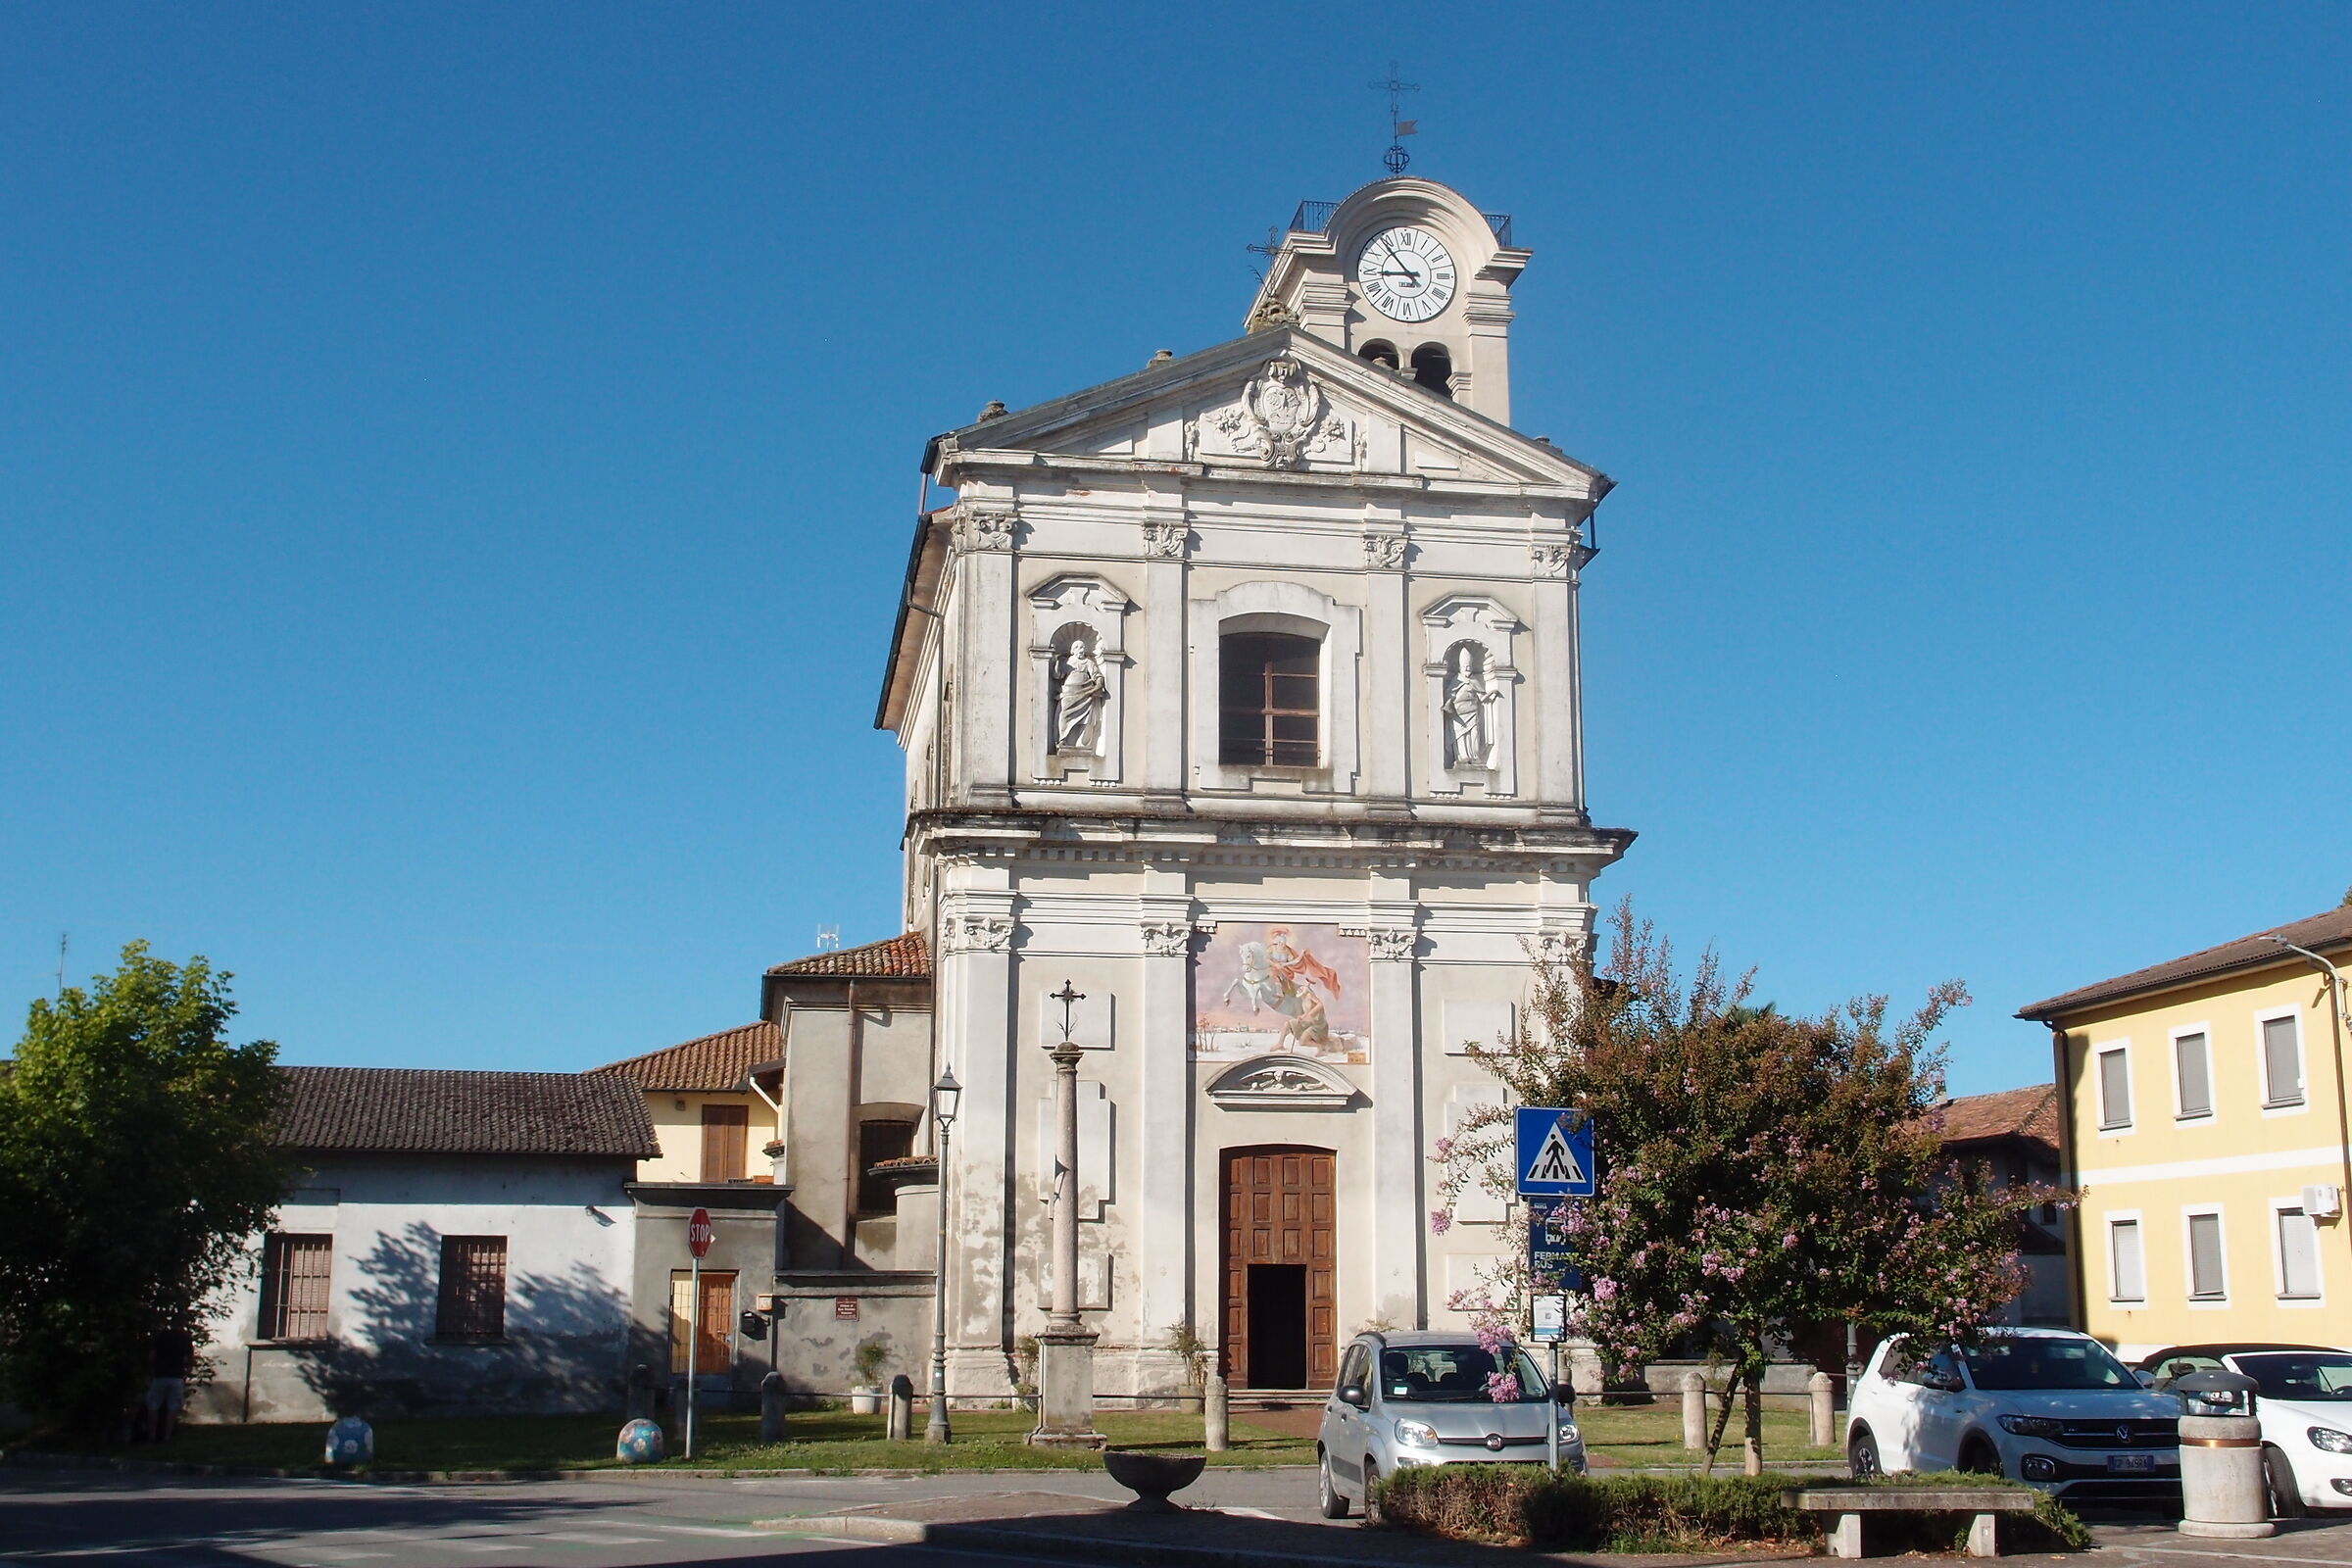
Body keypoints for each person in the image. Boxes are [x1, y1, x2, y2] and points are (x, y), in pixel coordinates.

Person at [143, 1322, 194, 1442]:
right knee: (173, 1407)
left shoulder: (161, 1336)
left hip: (159, 1376)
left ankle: (152, 1435)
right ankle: (167, 1435)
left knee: (153, 1405)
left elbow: (152, 1356)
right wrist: (186, 1371)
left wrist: (151, 1369)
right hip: (176, 1377)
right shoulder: (185, 1337)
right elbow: (190, 1359)